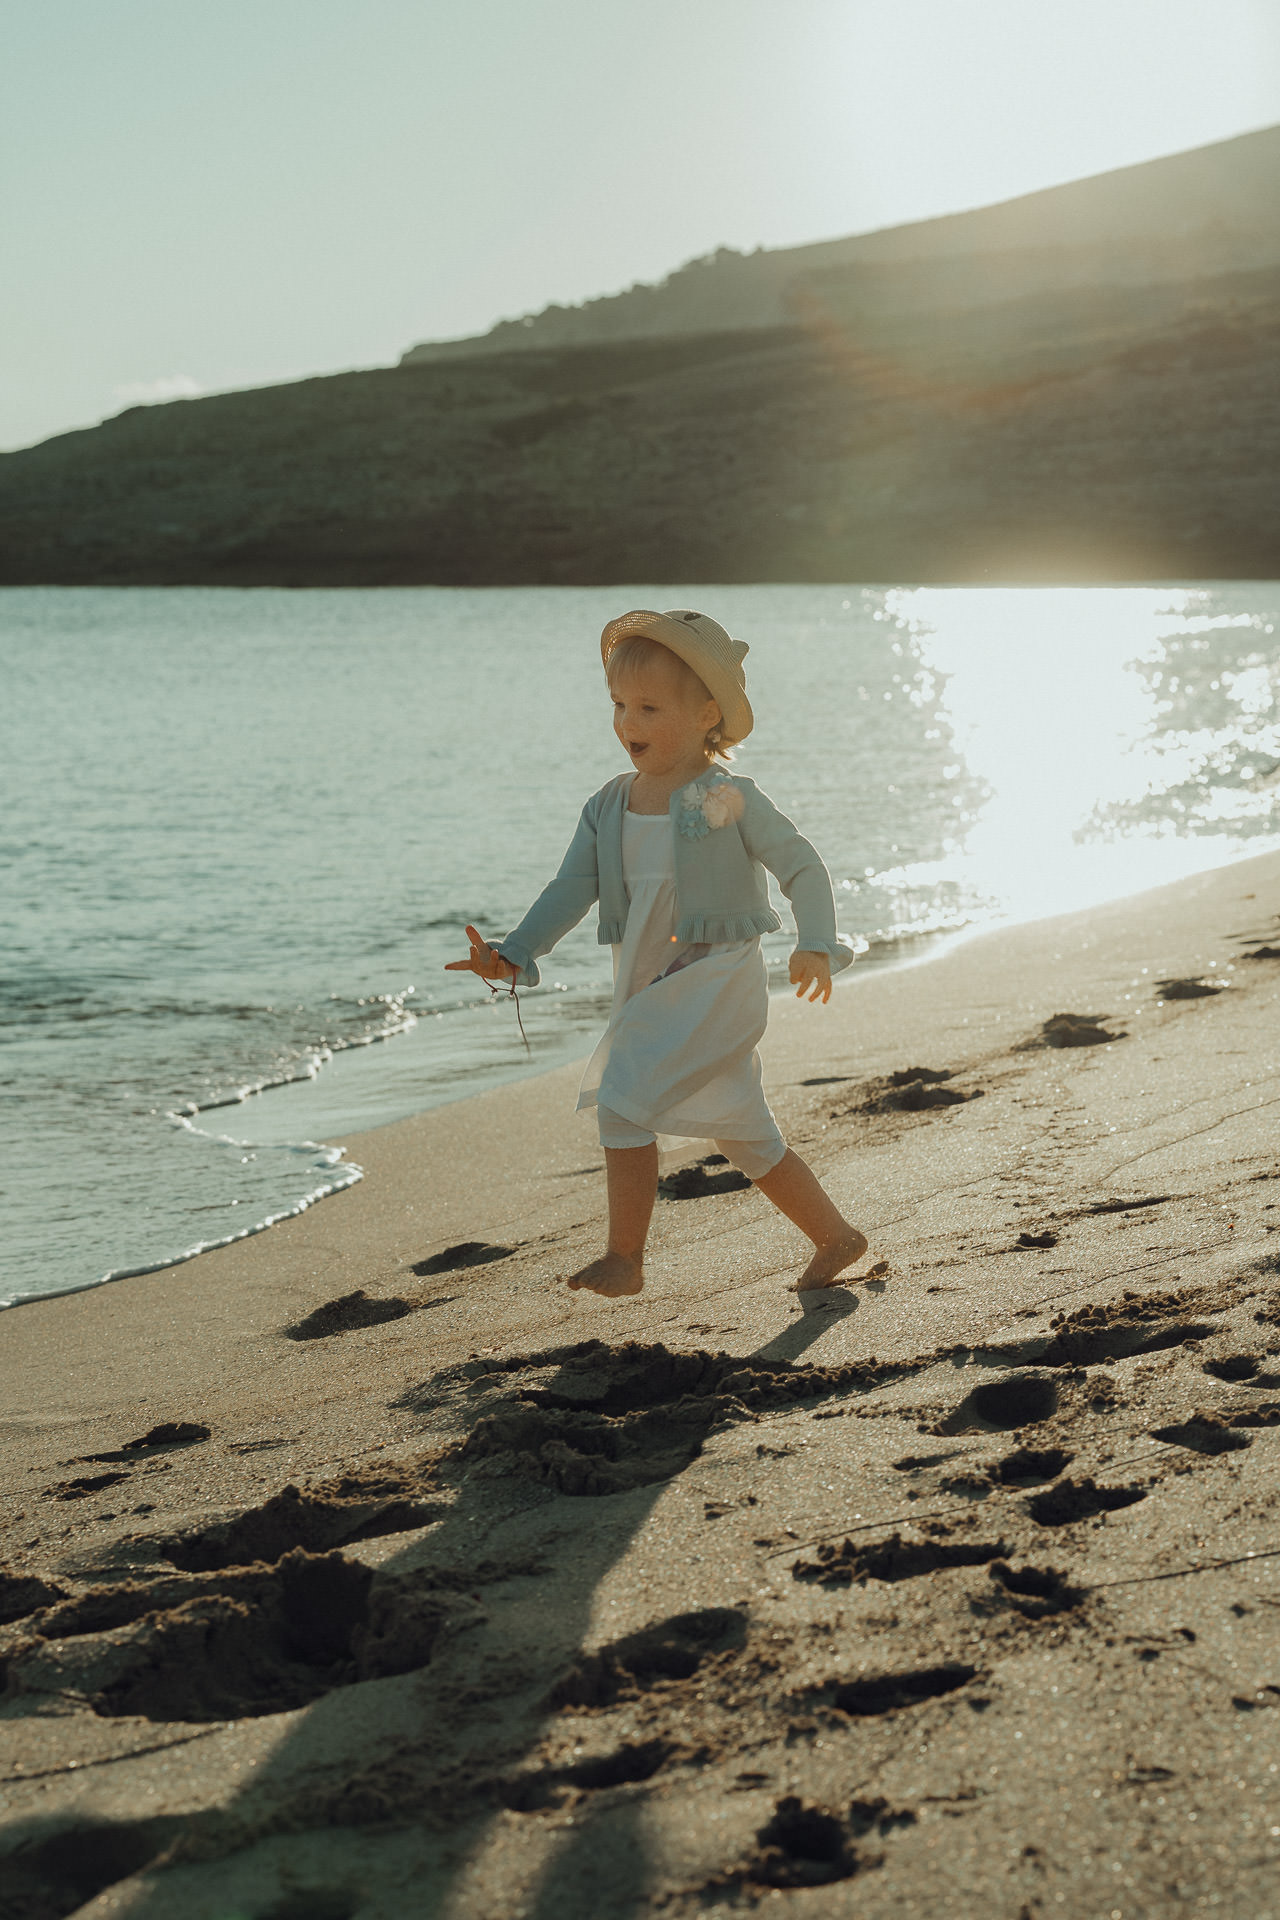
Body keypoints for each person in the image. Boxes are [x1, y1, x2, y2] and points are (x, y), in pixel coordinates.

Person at [446, 607, 876, 1300]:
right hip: (648, 981)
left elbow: (801, 865)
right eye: (619, 705)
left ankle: (625, 1257)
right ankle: (835, 1236)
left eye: (649, 707)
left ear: (707, 715)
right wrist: (515, 952)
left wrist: (816, 944)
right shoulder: (608, 806)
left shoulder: (725, 797)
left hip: (714, 977)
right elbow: (571, 888)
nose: (628, 722)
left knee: (621, 1098)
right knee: (743, 1130)